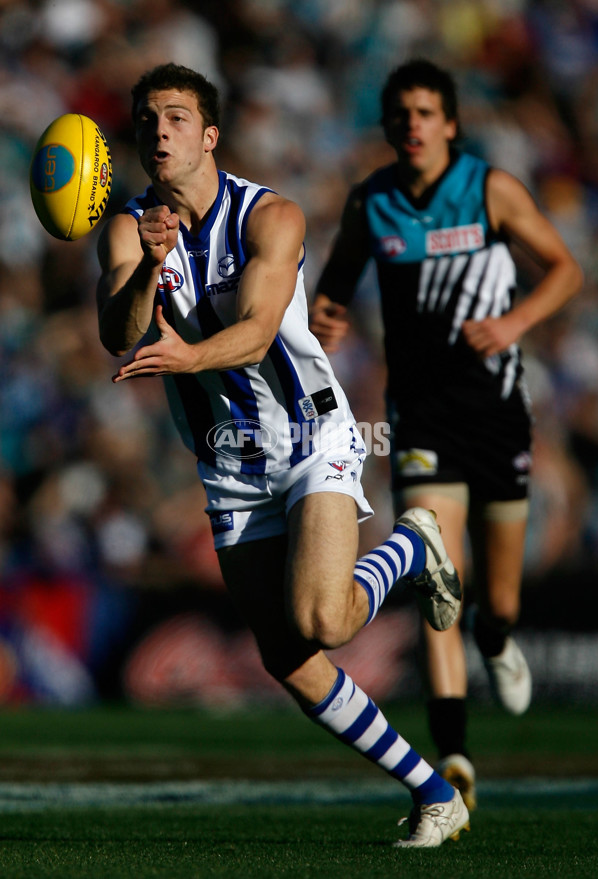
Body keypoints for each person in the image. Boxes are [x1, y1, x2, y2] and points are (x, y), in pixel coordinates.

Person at [95, 62, 468, 848]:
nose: (158, 131)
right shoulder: (130, 227)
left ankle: (412, 542)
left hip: (311, 434)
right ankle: (435, 792)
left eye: (174, 117)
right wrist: (155, 267)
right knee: (291, 661)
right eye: (146, 120)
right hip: (230, 465)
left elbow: (259, 330)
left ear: (209, 136)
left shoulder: (272, 215)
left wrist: (188, 358)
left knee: (324, 619)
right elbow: (118, 330)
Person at [309, 59, 583, 811]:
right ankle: (454, 756)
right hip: (420, 416)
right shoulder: (373, 203)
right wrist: (328, 315)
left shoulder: (490, 189)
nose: (412, 124)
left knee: (496, 599)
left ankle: (497, 639)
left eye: (426, 112)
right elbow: (333, 287)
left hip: (497, 415)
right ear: (390, 123)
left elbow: (564, 268)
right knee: (439, 579)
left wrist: (515, 322)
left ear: (450, 123)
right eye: (401, 112)